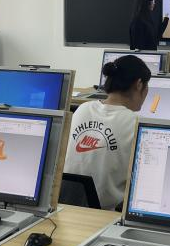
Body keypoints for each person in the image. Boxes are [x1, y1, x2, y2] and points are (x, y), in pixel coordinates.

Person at [63, 55, 151, 210]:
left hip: (66, 205)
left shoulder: (82, 109)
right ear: (139, 85)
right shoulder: (136, 123)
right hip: (106, 213)